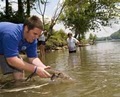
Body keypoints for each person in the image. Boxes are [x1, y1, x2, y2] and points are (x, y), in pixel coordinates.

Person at [0, 15, 51, 81]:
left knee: (19, 71)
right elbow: (11, 60)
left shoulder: (33, 39)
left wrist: (43, 67)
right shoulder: (12, 34)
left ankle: (18, 88)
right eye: (35, 34)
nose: (36, 37)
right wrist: (35, 69)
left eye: (39, 35)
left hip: (4, 50)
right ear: (26, 28)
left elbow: (33, 58)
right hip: (6, 47)